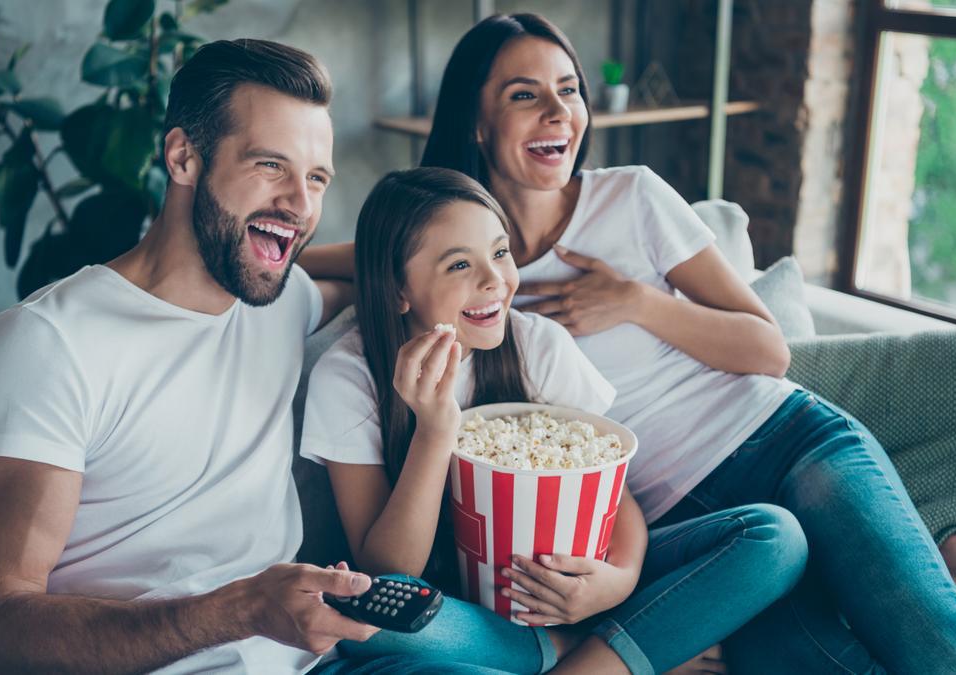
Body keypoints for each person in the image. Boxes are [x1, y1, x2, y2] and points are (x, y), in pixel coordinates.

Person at [302, 13, 956, 674]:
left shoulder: (629, 197)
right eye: (525, 95)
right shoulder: (457, 248)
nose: (559, 113)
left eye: (569, 91)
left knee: (945, 652)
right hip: (686, 513)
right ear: (476, 121)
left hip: (779, 441)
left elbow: (769, 351)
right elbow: (359, 255)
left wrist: (635, 303)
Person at [0, 38, 508, 675]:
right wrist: (238, 609)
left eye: (316, 178)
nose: (301, 205)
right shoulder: (45, 346)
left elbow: (386, 265)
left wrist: (491, 264)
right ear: (184, 157)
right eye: (271, 166)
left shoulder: (279, 300)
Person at [299, 166, 808, 675]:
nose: (494, 280)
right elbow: (390, 569)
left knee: (775, 537)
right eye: (459, 265)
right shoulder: (349, 377)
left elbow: (613, 493)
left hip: (581, 584)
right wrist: (435, 430)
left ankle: (585, 650)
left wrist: (619, 579)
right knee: (373, 616)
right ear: (396, 290)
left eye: (500, 253)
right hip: (461, 612)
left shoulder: (537, 344)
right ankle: (591, 654)